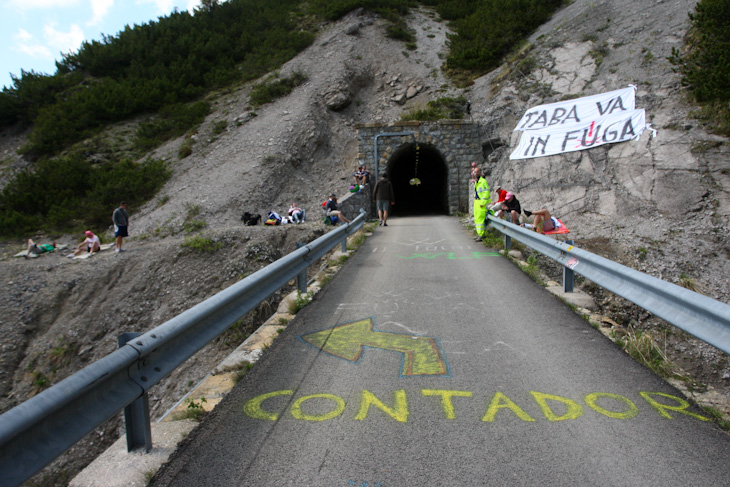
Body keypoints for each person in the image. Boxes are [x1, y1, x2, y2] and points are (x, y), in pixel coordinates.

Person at [472, 167, 491, 241]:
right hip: (476, 202)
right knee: (477, 219)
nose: (476, 173)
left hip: (480, 203)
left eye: (477, 172)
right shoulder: (477, 182)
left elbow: (486, 194)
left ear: (480, 172)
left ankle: (481, 235)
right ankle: (479, 234)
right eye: (475, 172)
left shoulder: (483, 182)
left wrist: (483, 203)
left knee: (480, 219)